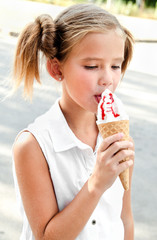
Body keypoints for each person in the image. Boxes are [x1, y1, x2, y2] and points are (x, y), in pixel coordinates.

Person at [12, 3, 135, 240]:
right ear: (57, 69)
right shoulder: (33, 145)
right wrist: (97, 183)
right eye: (91, 66)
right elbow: (46, 237)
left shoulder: (120, 136)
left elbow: (124, 219)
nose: (107, 79)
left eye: (115, 66)